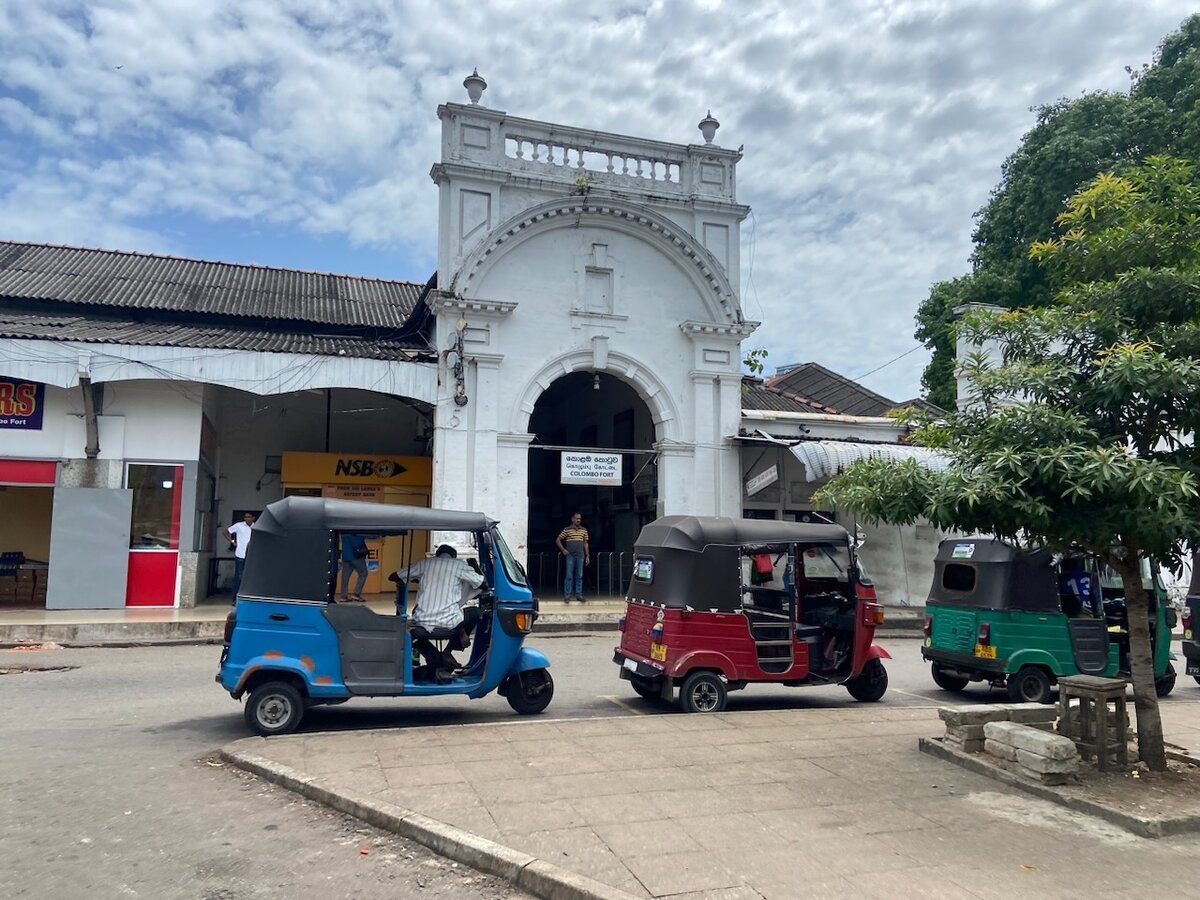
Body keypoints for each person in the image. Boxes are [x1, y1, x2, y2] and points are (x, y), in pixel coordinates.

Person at [388, 544, 484, 671]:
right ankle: (449, 650)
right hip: (449, 622)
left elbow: (393, 576)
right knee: (475, 612)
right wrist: (475, 566)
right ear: (453, 557)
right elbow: (483, 584)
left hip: (422, 620)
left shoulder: (424, 563)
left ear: (437, 555)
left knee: (416, 623)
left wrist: (419, 579)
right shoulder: (459, 565)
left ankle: (438, 659)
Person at [555, 511, 590, 603]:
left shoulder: (584, 530)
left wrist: (587, 555)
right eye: (577, 518)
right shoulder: (567, 529)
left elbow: (585, 543)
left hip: (580, 555)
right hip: (570, 555)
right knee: (569, 575)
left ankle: (579, 595)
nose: (579, 520)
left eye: (580, 519)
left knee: (579, 575)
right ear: (572, 519)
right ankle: (567, 595)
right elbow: (558, 540)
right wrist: (563, 550)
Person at [222, 512, 256, 603]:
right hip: (240, 555)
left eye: (249, 517)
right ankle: (235, 599)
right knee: (239, 577)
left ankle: (248, 599)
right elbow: (225, 531)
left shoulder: (256, 527)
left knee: (250, 578)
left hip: (251, 556)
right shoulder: (239, 526)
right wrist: (232, 541)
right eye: (245, 517)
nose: (247, 519)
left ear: (253, 518)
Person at [339, 533, 370, 602]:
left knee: (345, 577)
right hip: (355, 556)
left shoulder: (343, 529)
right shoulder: (355, 529)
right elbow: (357, 541)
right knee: (363, 573)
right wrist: (363, 536)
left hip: (346, 555)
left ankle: (343, 596)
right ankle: (356, 594)